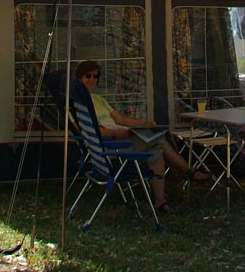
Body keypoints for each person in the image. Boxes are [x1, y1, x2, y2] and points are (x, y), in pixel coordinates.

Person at [76, 60, 208, 212]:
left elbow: (121, 120)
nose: (92, 79)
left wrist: (143, 124)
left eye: (95, 76)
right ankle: (187, 172)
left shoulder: (98, 99)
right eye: (88, 76)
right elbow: (86, 131)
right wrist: (115, 133)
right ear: (79, 77)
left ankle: (161, 201)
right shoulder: (77, 103)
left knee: (157, 148)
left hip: (123, 137)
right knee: (158, 140)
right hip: (109, 146)